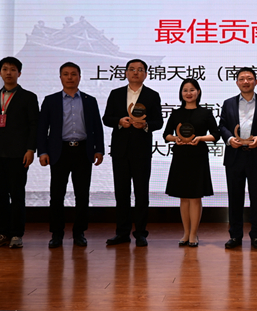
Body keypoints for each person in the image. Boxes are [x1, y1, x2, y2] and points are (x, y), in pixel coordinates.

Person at [37, 62, 105, 248]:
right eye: (65, 74)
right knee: (56, 195)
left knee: (82, 195)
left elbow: (97, 127)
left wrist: (99, 149)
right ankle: (56, 234)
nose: (69, 77)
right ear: (60, 77)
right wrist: (42, 152)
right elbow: (42, 129)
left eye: (73, 74)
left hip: (83, 151)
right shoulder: (50, 100)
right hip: (59, 151)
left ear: (79, 77)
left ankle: (79, 232)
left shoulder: (90, 100)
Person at [0, 56, 39, 249]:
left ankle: (16, 234)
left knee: (17, 195)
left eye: (13, 69)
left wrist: (31, 149)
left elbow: (34, 126)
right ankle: (2, 233)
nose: (8, 73)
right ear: (0, 72)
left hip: (18, 154)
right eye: (5, 69)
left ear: (19, 73)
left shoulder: (29, 97)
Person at [103, 59, 163, 247]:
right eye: (132, 69)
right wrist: (119, 122)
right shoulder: (116, 94)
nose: (135, 72)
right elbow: (106, 118)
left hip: (141, 151)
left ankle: (141, 233)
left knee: (141, 193)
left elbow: (158, 122)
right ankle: (122, 233)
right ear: (126, 73)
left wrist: (145, 125)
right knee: (121, 193)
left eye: (140, 70)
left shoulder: (152, 95)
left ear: (145, 74)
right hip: (120, 151)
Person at [219, 67, 257, 249]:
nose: (246, 82)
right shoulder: (228, 103)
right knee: (235, 198)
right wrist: (230, 139)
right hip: (235, 156)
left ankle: (256, 235)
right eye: (242, 78)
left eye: (249, 78)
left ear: (256, 81)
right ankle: (235, 235)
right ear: (237, 82)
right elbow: (222, 126)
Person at [163, 79, 220, 247]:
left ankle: (194, 234)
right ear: (181, 93)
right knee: (183, 198)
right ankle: (186, 233)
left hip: (198, 156)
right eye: (185, 90)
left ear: (198, 92)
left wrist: (200, 138)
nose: (189, 93)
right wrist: (175, 139)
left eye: (192, 90)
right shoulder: (176, 113)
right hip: (180, 156)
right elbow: (166, 135)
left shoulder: (206, 113)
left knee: (195, 197)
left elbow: (216, 135)